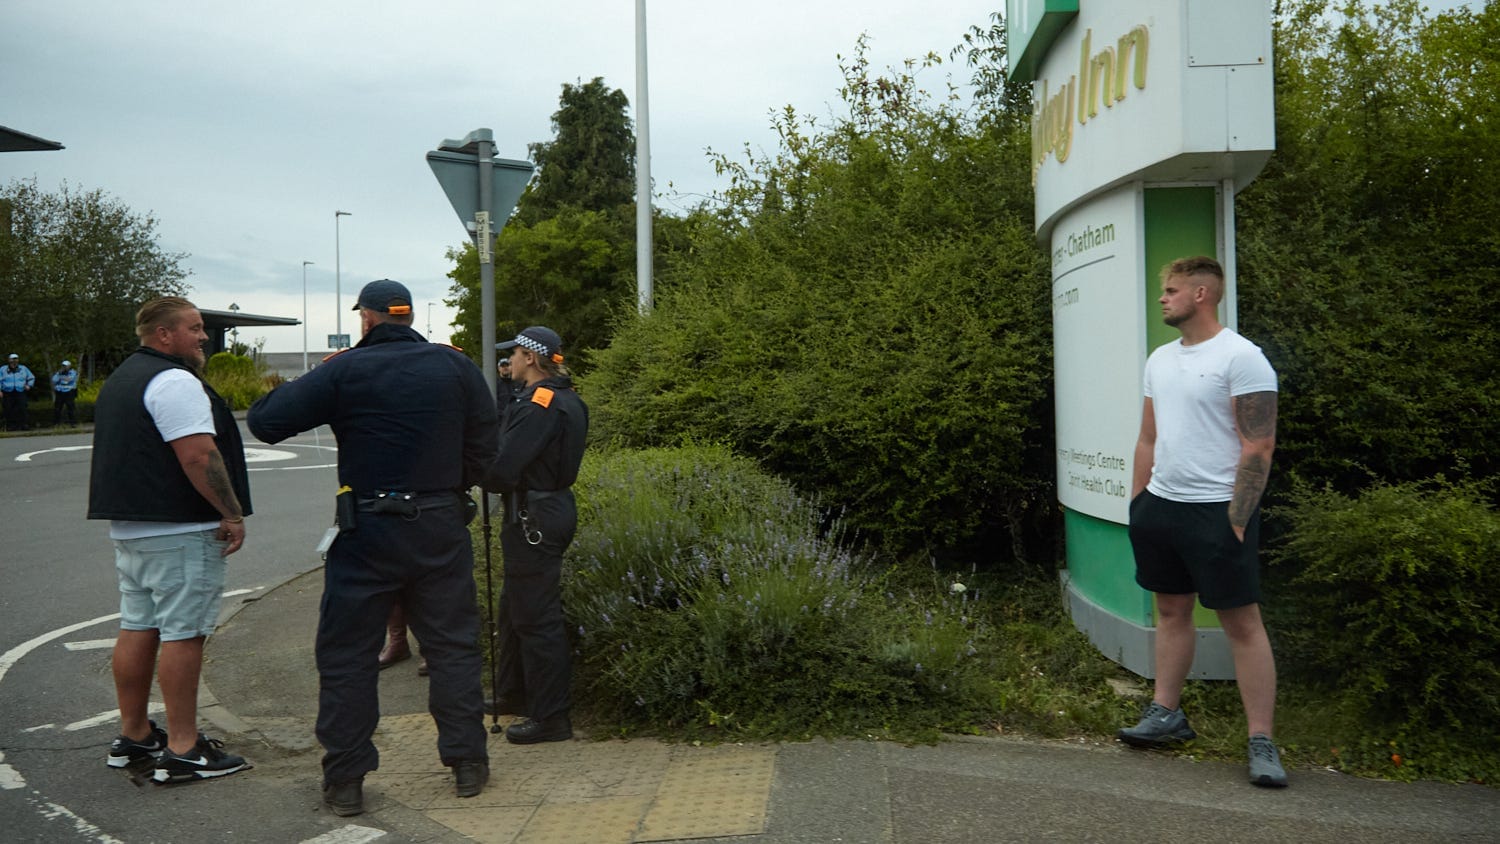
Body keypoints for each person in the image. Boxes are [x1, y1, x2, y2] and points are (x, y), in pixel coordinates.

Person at [248, 279, 497, 816]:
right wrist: (448, 491)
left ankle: (346, 780)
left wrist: (321, 377)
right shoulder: (455, 367)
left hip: (366, 530)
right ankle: (468, 764)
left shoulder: (344, 370)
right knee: (452, 646)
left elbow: (265, 422)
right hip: (438, 524)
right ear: (408, 318)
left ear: (366, 319)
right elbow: (486, 447)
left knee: (347, 655)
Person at [1119, 256, 1286, 788]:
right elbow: (1148, 436)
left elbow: (1258, 444)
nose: (1162, 298)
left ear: (1200, 294)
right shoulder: (1160, 359)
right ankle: (1166, 714)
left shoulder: (1243, 358)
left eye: (1171, 290)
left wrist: (1237, 518)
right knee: (1171, 611)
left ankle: (1261, 740)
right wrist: (1139, 503)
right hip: (1161, 507)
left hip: (1219, 511)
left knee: (1242, 623)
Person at [87, 297, 252, 783]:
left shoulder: (123, 379)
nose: (203, 338)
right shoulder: (175, 381)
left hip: (132, 528)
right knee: (184, 632)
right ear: (164, 334)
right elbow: (199, 456)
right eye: (194, 328)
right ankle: (183, 748)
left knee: (138, 625)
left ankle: (135, 734)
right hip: (180, 528)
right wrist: (231, 512)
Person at [484, 326, 588, 745]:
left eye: (513, 354)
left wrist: (474, 469)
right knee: (515, 606)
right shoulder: (565, 396)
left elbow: (503, 469)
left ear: (530, 357)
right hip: (547, 508)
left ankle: (551, 717)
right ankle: (515, 691)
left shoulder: (539, 404)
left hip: (534, 517)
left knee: (536, 618)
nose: (508, 361)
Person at [2, 352, 36, 430]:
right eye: (12, 359)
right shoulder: (3, 369)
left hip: (20, 391)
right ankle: (11, 426)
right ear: (9, 360)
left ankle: (23, 425)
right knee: (8, 409)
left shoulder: (23, 368)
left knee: (22, 408)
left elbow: (31, 377)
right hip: (7, 392)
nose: (14, 361)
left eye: (16, 359)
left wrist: (29, 385)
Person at [52, 359, 79, 426]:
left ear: (69, 366)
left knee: (70, 408)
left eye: (66, 366)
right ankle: (57, 423)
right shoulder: (59, 372)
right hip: (60, 391)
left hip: (69, 391)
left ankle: (72, 423)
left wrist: (60, 378)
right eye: (63, 366)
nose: (64, 367)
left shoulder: (73, 372)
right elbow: (54, 380)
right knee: (57, 408)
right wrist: (59, 374)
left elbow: (69, 380)